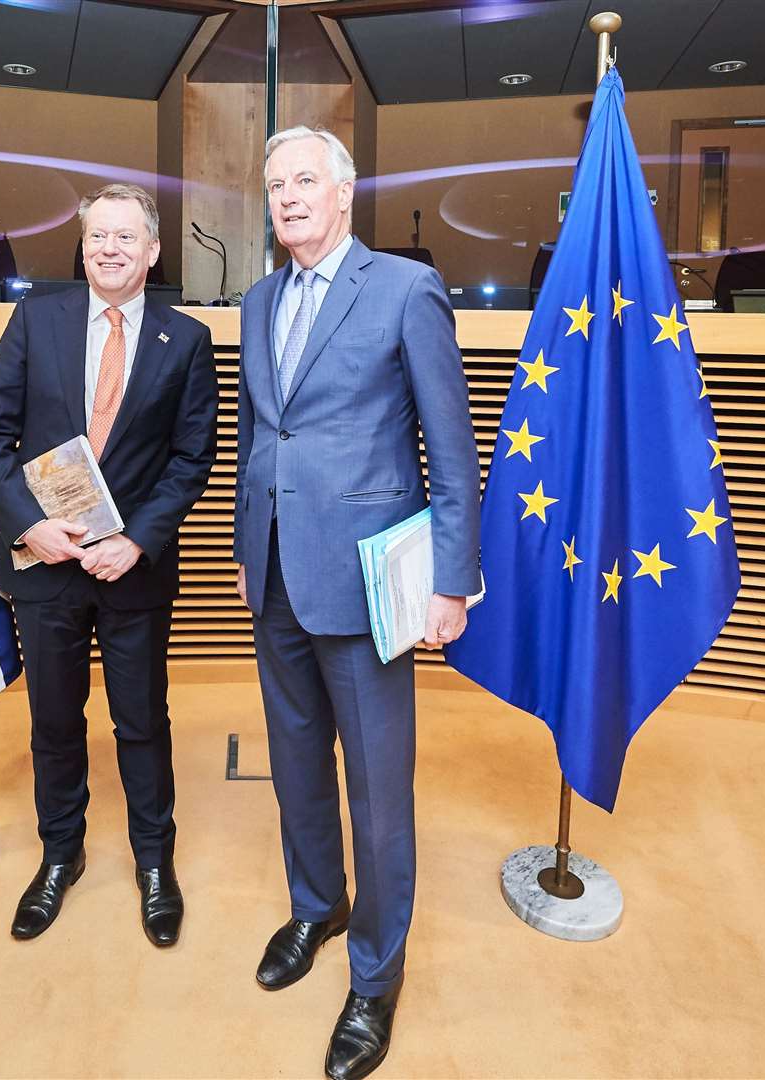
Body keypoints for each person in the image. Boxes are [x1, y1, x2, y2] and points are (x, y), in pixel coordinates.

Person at [233, 127, 481, 1080]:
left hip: (369, 580)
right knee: (295, 768)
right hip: (275, 572)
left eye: (305, 180)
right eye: (274, 184)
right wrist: (243, 543)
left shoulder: (403, 289)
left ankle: (375, 976)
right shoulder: (257, 301)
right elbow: (269, 434)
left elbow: (450, 451)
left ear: (343, 194)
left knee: (377, 793)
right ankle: (315, 908)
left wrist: (451, 579)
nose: (288, 196)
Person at [0, 183, 217, 948]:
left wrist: (136, 538)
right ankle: (59, 855)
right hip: (47, 567)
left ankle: (152, 862)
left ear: (152, 251)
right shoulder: (37, 320)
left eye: (123, 238)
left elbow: (189, 458)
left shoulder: (188, 339)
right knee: (52, 721)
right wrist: (30, 525)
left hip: (131, 569)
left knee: (140, 721)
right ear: (82, 248)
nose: (108, 250)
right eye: (96, 237)